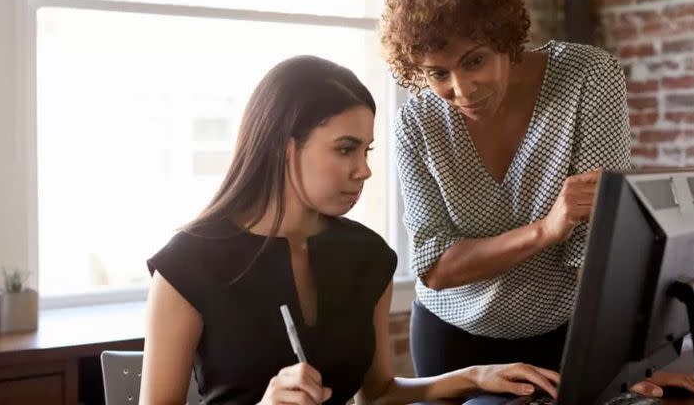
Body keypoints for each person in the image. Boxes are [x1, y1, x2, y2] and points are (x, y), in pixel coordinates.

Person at [140, 55, 561, 405]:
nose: (363, 170)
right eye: (345, 149)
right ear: (284, 146)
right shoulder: (187, 266)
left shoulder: (367, 255)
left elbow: (377, 393)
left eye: (366, 150)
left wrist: (476, 376)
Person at [379, 0, 694, 397]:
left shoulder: (588, 77)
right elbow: (433, 265)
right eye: (437, 73)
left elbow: (596, 246)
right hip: (452, 338)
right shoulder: (416, 123)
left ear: (507, 38)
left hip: (565, 334)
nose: (462, 89)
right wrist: (547, 229)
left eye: (475, 61)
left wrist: (631, 365)